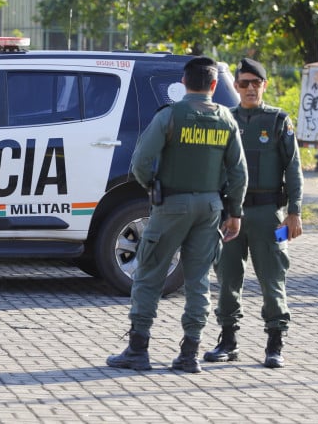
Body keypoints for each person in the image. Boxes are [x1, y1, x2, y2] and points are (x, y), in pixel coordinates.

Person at [106, 56, 248, 373]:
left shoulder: (170, 116)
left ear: (183, 84)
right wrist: (234, 212)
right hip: (210, 208)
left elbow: (140, 161)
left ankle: (138, 350)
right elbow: (239, 173)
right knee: (198, 280)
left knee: (149, 273)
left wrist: (152, 187)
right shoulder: (226, 119)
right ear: (214, 85)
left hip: (171, 205)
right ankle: (189, 355)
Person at [204, 58, 303, 369]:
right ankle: (228, 340)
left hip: (271, 215)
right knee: (227, 277)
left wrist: (295, 212)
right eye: (244, 83)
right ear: (235, 87)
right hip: (230, 214)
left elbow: (294, 168)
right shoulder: (225, 119)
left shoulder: (278, 121)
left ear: (264, 85)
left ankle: (275, 342)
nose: (249, 88)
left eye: (255, 83)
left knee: (273, 278)